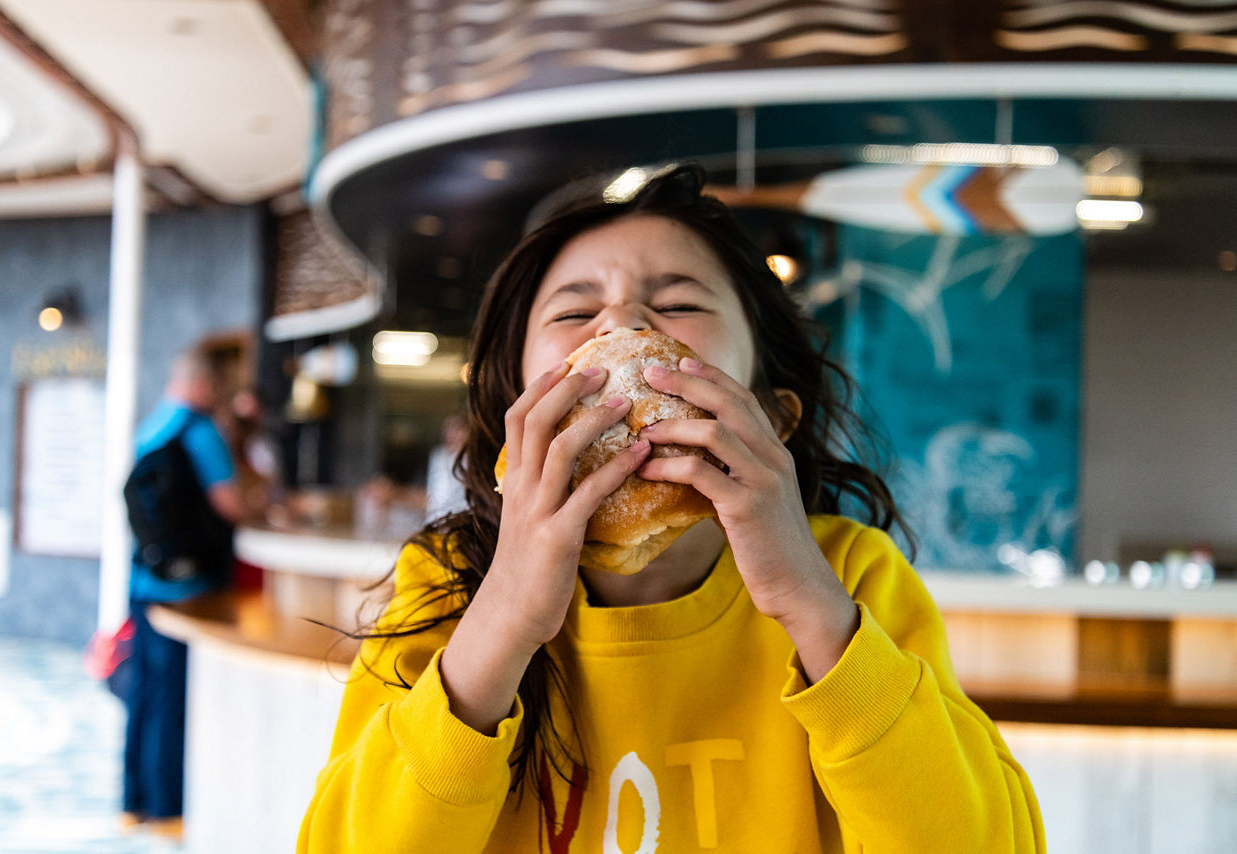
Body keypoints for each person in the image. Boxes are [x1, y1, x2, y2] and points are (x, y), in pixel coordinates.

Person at [299, 165, 1044, 852]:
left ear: (774, 417)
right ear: (514, 416)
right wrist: (505, 618)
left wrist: (806, 601)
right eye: (574, 310)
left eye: (679, 302)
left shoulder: (853, 575)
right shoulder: (445, 581)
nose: (619, 321)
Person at [123, 348, 244, 836]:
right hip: (189, 586)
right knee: (174, 696)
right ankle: (169, 808)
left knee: (144, 691)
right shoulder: (200, 432)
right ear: (203, 384)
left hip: (145, 579)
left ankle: (134, 801)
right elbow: (230, 505)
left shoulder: (151, 426)